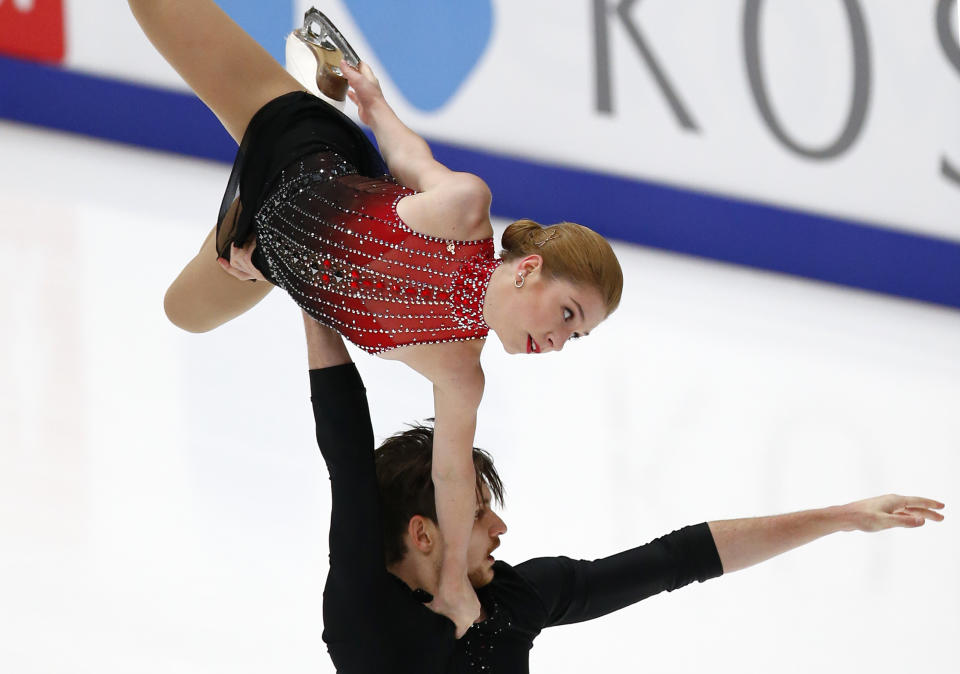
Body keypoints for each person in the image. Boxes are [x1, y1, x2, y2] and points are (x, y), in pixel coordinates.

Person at [128, 1, 622, 634]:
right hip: (302, 146)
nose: (557, 342)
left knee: (184, 313)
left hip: (281, 249)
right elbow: (409, 155)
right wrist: (369, 95)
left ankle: (254, 240)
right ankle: (258, 232)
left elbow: (451, 474)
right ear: (528, 271)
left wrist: (451, 587)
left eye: (574, 337)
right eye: (567, 314)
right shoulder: (464, 212)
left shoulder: (460, 376)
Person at [301, 312, 944, 673]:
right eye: (480, 515)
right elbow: (346, 452)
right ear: (422, 533)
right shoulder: (366, 613)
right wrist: (311, 296)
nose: (500, 531)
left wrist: (841, 516)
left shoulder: (516, 600)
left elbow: (681, 558)